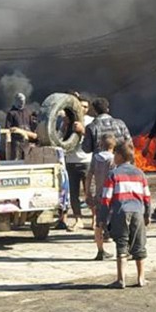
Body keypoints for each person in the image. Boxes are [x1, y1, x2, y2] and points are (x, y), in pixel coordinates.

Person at [100, 140, 152, 288]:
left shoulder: (113, 174)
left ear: (120, 156)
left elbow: (106, 199)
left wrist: (102, 219)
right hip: (137, 212)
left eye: (115, 154)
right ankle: (141, 278)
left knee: (121, 244)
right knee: (139, 245)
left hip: (120, 213)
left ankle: (121, 279)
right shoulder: (140, 174)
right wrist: (148, 215)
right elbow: (147, 197)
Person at [59, 93, 94, 230]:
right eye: (81, 106)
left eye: (86, 106)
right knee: (73, 194)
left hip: (87, 161)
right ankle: (78, 219)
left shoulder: (91, 121)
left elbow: (95, 138)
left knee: (89, 193)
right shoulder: (68, 121)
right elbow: (60, 138)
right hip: (71, 161)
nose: (83, 109)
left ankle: (94, 219)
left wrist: (82, 130)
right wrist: (66, 126)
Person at [86, 133, 118, 261]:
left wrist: (88, 192)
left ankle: (100, 250)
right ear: (113, 145)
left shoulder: (95, 158)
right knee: (115, 221)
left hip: (99, 194)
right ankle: (122, 249)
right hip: (111, 195)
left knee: (98, 223)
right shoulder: (113, 159)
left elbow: (89, 175)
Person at [5, 92, 36, 160]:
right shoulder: (11, 113)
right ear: (16, 100)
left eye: (23, 101)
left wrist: (33, 139)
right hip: (16, 141)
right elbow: (8, 129)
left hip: (27, 140)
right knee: (16, 159)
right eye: (20, 101)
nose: (22, 102)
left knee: (28, 159)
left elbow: (32, 126)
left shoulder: (28, 112)